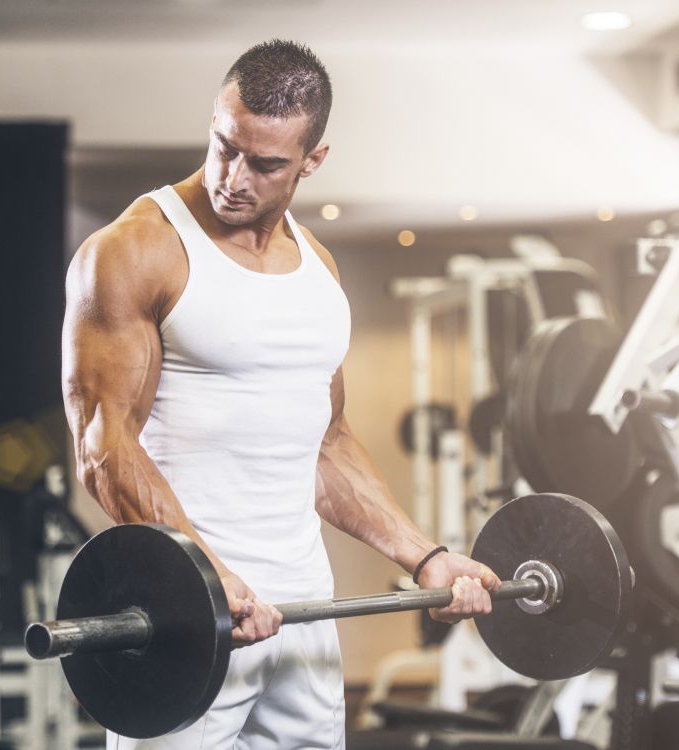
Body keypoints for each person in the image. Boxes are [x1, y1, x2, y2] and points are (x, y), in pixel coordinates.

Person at [62, 39, 500, 749]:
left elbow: (324, 442)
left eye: (265, 163)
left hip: (303, 616)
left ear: (312, 160)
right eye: (224, 146)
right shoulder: (135, 250)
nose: (234, 177)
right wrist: (203, 578)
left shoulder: (316, 269)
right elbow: (103, 443)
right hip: (185, 621)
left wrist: (424, 557)